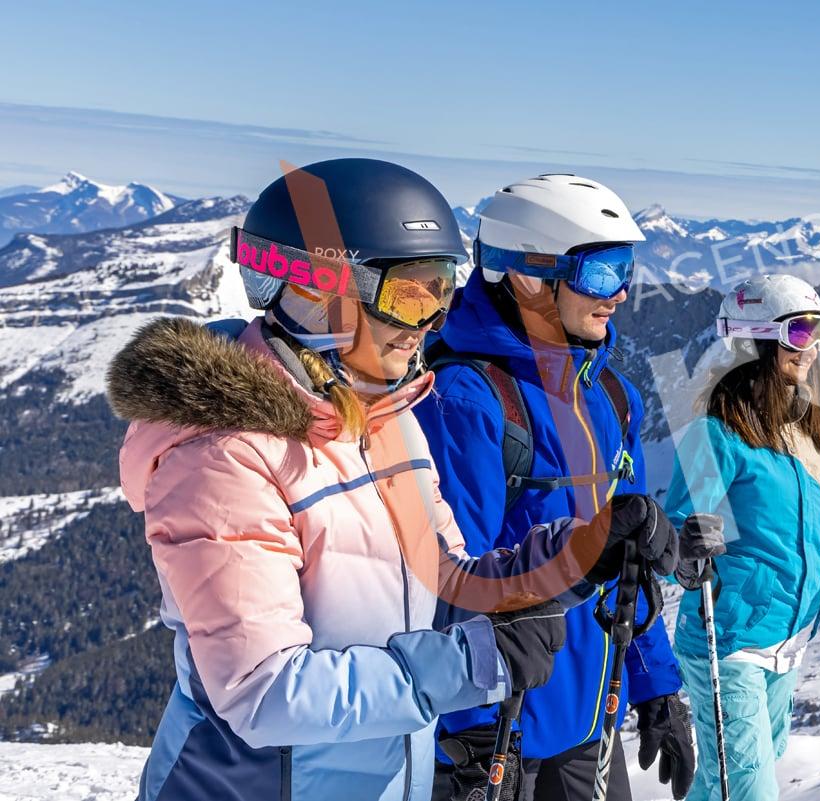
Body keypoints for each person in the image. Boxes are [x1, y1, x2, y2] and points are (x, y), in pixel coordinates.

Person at [110, 158, 677, 801]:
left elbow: (449, 581)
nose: (433, 322)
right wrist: (470, 664)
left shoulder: (385, 423)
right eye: (411, 293)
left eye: (442, 290)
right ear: (318, 293)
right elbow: (263, 692)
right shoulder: (223, 458)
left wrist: (577, 555)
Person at [417, 173, 694, 801]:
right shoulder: (469, 401)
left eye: (626, 268)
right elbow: (453, 585)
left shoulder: (609, 394)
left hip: (589, 727)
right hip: (499, 739)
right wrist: (470, 737)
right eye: (600, 272)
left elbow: (631, 565)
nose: (621, 293)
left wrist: (655, 688)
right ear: (527, 274)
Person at [662, 274, 820, 801]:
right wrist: (685, 554)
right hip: (728, 642)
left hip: (786, 645)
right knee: (749, 790)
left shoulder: (811, 433)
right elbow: (672, 533)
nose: (812, 348)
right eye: (798, 334)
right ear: (756, 339)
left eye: (818, 333)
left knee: (724, 781)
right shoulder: (718, 432)